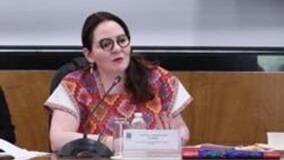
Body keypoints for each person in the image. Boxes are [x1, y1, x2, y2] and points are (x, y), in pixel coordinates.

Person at [44, 12, 192, 152]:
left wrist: (164, 142)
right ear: (89, 54)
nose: (117, 49)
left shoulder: (157, 78)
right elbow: (58, 139)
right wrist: (113, 143)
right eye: (106, 44)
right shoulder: (75, 85)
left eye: (122, 41)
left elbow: (182, 131)